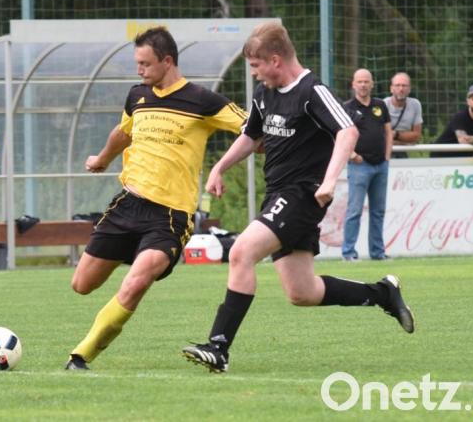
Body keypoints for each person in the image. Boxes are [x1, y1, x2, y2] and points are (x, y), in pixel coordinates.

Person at [181, 23, 414, 374]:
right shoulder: (264, 92)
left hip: (303, 195)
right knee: (302, 292)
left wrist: (330, 180)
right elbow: (250, 135)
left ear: (275, 60)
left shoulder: (311, 90)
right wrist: (219, 168)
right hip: (278, 194)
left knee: (241, 252)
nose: (255, 73)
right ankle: (383, 293)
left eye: (257, 66)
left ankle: (218, 347)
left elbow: (348, 131)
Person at [64, 26, 247, 371]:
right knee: (81, 284)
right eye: (137, 63)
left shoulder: (203, 101)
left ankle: (80, 356)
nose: (140, 70)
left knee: (137, 280)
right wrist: (102, 158)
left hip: (169, 217)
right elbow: (123, 132)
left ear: (167, 61)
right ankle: (134, 252)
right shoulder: (137, 95)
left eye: (146, 64)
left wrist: (222, 166)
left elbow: (252, 129)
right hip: (127, 205)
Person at [342, 69, 393, 261]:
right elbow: (340, 134)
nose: (363, 85)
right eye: (359, 82)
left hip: (381, 165)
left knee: (378, 211)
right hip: (359, 165)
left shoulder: (380, 106)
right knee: (354, 211)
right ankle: (348, 253)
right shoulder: (347, 107)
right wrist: (352, 155)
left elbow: (388, 131)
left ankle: (377, 253)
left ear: (372, 84)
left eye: (366, 81)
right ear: (353, 84)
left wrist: (387, 156)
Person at [383, 72, 423, 158]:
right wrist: (406, 140)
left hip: (401, 153)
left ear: (409, 89)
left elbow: (416, 136)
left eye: (404, 85)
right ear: (391, 88)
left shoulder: (415, 104)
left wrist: (395, 134)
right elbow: (380, 137)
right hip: (382, 151)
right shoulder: (383, 105)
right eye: (397, 85)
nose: (401, 89)